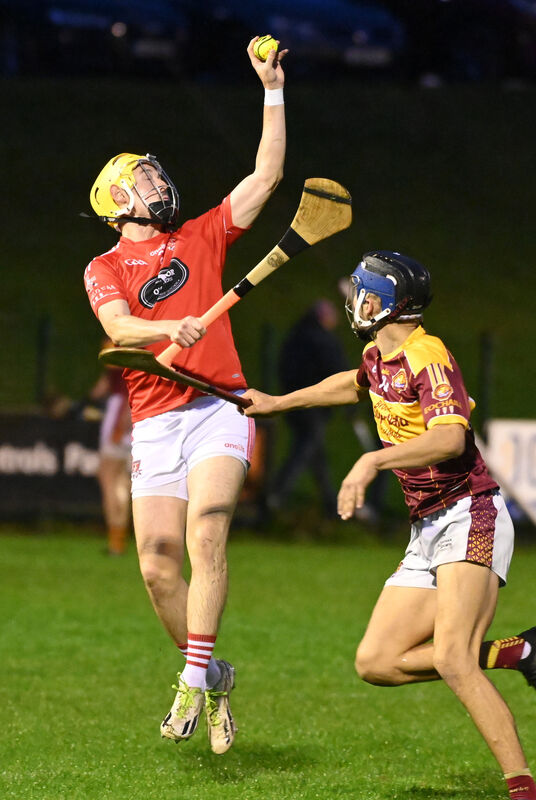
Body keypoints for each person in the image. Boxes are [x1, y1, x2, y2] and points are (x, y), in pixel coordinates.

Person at [242, 251, 536, 800]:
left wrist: (370, 461)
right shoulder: (378, 354)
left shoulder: (427, 356)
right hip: (427, 527)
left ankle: (523, 790)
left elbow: (451, 438)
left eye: (365, 292)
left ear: (391, 303)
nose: (355, 300)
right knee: (376, 662)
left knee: (451, 658)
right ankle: (519, 653)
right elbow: (355, 383)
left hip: (471, 513)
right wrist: (278, 403)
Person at [83, 37, 287, 754]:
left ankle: (191, 681)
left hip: (218, 409)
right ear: (116, 200)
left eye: (154, 173)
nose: (156, 183)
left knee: (206, 533)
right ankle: (213, 670)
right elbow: (120, 327)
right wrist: (176, 322)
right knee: (156, 565)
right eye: (142, 179)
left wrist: (272, 88)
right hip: (155, 423)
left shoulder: (204, 235)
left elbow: (267, 174)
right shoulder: (103, 264)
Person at [269, 299, 350, 517]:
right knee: (306, 448)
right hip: (314, 403)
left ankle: (330, 504)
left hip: (293, 401)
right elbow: (338, 371)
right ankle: (276, 496)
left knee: (315, 451)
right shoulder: (322, 340)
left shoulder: (296, 336)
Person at [88, 346, 132, 556]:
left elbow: (102, 391)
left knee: (108, 479)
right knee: (123, 482)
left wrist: (119, 425)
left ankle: (115, 540)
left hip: (121, 418)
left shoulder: (119, 357)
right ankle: (119, 540)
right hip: (140, 419)